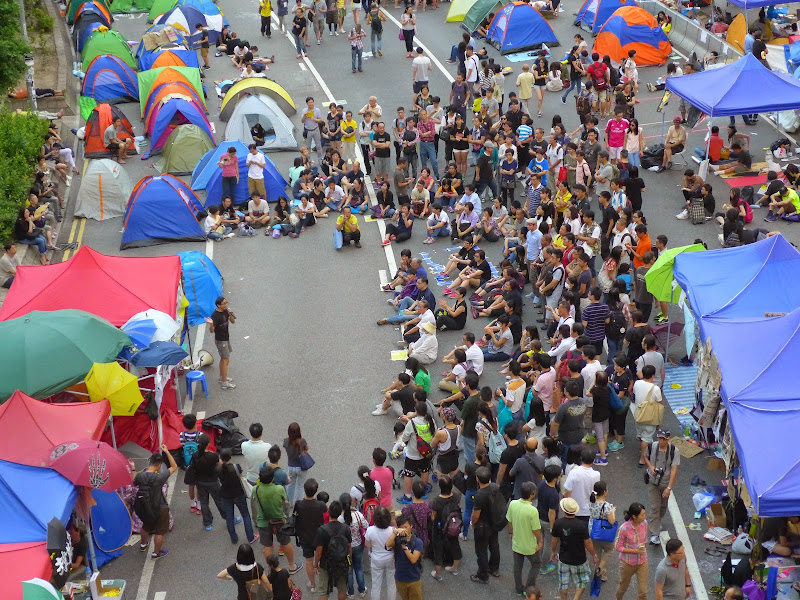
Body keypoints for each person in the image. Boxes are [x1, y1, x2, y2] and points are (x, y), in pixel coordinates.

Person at [254, 466, 302, 573]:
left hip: (263, 521)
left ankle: (271, 568)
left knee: (267, 546)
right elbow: (285, 501)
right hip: (279, 520)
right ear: (272, 478)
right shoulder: (279, 489)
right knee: (285, 542)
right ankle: (292, 566)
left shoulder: (256, 489)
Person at [134, 447, 178, 560]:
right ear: (159, 465)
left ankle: (143, 544)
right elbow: (174, 467)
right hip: (160, 507)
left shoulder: (140, 475)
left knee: (145, 525)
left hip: (145, 507)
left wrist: (133, 469)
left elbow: (133, 480)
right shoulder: (159, 477)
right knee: (160, 531)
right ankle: (156, 553)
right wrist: (167, 452)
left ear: (149, 462)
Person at [551, 497, 597, 600]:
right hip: (579, 559)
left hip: (563, 558)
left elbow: (554, 540)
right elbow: (588, 543)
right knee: (582, 582)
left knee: (563, 583)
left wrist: (553, 551)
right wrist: (593, 554)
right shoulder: (581, 525)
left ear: (563, 510)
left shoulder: (558, 523)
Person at [507, 481, 544, 595]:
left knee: (517, 566)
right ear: (532, 494)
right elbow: (536, 530)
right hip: (529, 545)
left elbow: (509, 520)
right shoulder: (532, 510)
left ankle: (518, 588)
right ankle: (529, 587)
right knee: (536, 563)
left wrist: (510, 532)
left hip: (517, 542)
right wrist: (540, 541)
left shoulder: (513, 504)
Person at [644, 428, 679, 545]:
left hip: (665, 483)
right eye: (660, 438)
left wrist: (669, 488)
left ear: (669, 439)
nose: (661, 441)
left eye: (664, 439)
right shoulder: (652, 446)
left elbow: (674, 470)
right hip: (652, 481)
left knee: (663, 507)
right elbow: (645, 457)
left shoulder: (674, 451)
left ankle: (656, 521)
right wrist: (651, 467)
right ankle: (655, 533)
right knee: (655, 507)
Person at [219, 449, 257, 544]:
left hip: (226, 495)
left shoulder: (219, 470)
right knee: (245, 515)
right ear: (230, 457)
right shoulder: (236, 467)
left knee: (229, 516)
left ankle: (234, 538)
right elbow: (241, 477)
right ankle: (250, 537)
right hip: (238, 494)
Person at [295, 479, 326, 592]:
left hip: (304, 536)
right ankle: (323, 582)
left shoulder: (299, 504)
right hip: (319, 536)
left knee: (308, 560)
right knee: (322, 559)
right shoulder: (321, 505)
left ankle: (312, 584)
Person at [470, 467, 500, 584]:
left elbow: (476, 515)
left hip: (483, 526)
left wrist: (473, 523)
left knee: (481, 551)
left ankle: (483, 575)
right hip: (494, 522)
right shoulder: (494, 488)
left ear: (477, 479)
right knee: (494, 545)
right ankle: (494, 568)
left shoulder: (479, 495)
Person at [430, 474, 463, 580]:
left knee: (438, 550)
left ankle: (438, 574)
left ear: (440, 487)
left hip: (439, 528)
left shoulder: (436, 501)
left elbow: (433, 517)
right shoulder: (456, 497)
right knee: (455, 545)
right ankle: (455, 568)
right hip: (453, 526)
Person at [386, 514, 424, 600]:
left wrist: (404, 547)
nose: (404, 530)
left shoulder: (418, 542)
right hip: (400, 578)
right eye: (401, 527)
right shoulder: (397, 539)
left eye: (406, 527)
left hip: (414, 579)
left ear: (411, 526)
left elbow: (413, 559)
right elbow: (388, 545)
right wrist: (395, 533)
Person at [615, 502, 648, 600]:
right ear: (634, 516)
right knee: (623, 587)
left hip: (642, 561)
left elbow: (644, 539)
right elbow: (618, 547)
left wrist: (642, 547)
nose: (644, 517)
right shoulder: (624, 528)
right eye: (642, 515)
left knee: (643, 592)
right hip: (627, 563)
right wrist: (635, 551)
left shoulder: (644, 523)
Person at [365, 507, 396, 600]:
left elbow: (367, 544)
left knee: (376, 585)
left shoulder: (370, 530)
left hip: (376, 559)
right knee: (391, 584)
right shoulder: (392, 530)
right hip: (390, 558)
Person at [208, 296, 236, 389]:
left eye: (226, 302)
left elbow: (233, 322)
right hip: (221, 340)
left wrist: (230, 314)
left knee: (225, 359)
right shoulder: (215, 316)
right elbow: (212, 331)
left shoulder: (225, 311)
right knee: (225, 360)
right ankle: (224, 382)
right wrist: (211, 323)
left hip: (226, 338)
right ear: (218, 305)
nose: (226, 305)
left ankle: (222, 377)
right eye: (224, 303)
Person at [563, 447, 600, 520]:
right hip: (588, 510)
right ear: (593, 460)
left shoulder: (574, 472)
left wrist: (565, 503)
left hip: (573, 508)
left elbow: (568, 490)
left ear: (581, 458)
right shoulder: (597, 474)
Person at [284, 422, 311, 508]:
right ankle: (299, 504)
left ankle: (290, 503)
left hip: (291, 466)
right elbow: (306, 449)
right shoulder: (302, 441)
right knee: (300, 486)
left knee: (290, 485)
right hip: (301, 467)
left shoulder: (286, 441)